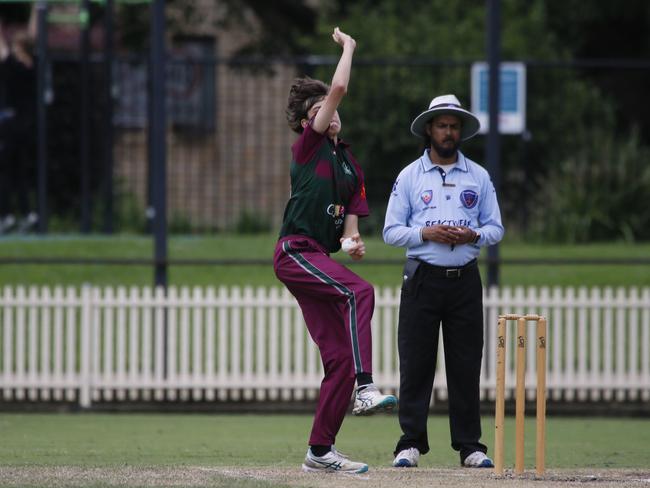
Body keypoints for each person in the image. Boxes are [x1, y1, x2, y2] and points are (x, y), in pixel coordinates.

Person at [273, 27, 397, 474]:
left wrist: (352, 243)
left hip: (318, 258)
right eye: (321, 109)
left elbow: (348, 232)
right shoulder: (308, 147)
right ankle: (367, 387)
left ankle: (319, 452)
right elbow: (340, 87)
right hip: (294, 251)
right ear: (311, 120)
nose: (331, 112)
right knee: (360, 294)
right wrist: (349, 48)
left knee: (340, 361)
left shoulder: (350, 164)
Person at [383, 94, 505, 469]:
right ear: (429, 130)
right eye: (441, 125)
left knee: (466, 364)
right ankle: (410, 443)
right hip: (422, 279)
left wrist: (474, 237)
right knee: (416, 363)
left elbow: (495, 228)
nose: (448, 132)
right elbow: (390, 231)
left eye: (453, 126)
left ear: (460, 131)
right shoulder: (409, 176)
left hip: (464, 280)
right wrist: (427, 233)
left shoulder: (479, 176)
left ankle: (470, 446)